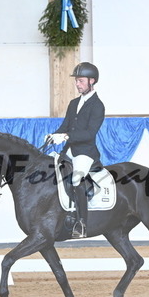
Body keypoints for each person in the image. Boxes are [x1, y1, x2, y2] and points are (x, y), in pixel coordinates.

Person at [47, 62, 105, 238]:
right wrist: (54, 135)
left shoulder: (98, 106)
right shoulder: (73, 103)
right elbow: (65, 126)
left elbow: (89, 133)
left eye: (80, 81)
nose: (77, 84)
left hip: (85, 152)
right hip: (69, 150)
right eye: (76, 81)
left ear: (91, 81)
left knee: (77, 179)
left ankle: (82, 223)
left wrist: (66, 137)